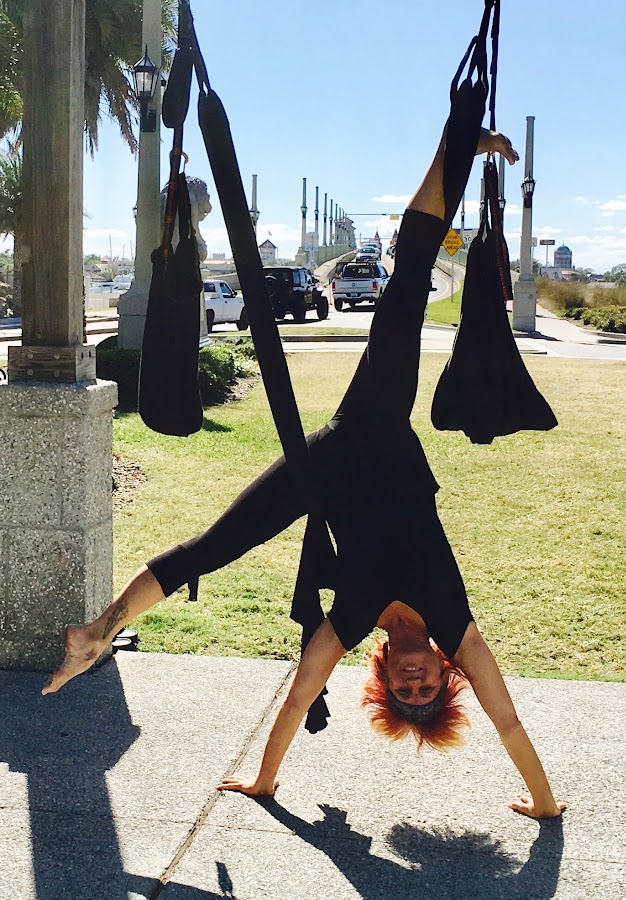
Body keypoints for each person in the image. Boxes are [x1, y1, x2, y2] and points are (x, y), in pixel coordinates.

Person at [43, 107, 565, 820]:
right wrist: (545, 804)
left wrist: (264, 782)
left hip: (328, 463)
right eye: (428, 689)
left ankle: (96, 631)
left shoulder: (351, 622)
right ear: (448, 674)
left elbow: (296, 697)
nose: (416, 682)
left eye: (405, 691)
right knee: (406, 292)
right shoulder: (455, 622)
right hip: (380, 427)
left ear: (386, 676)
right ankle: (457, 149)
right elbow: (506, 720)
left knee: (214, 547)